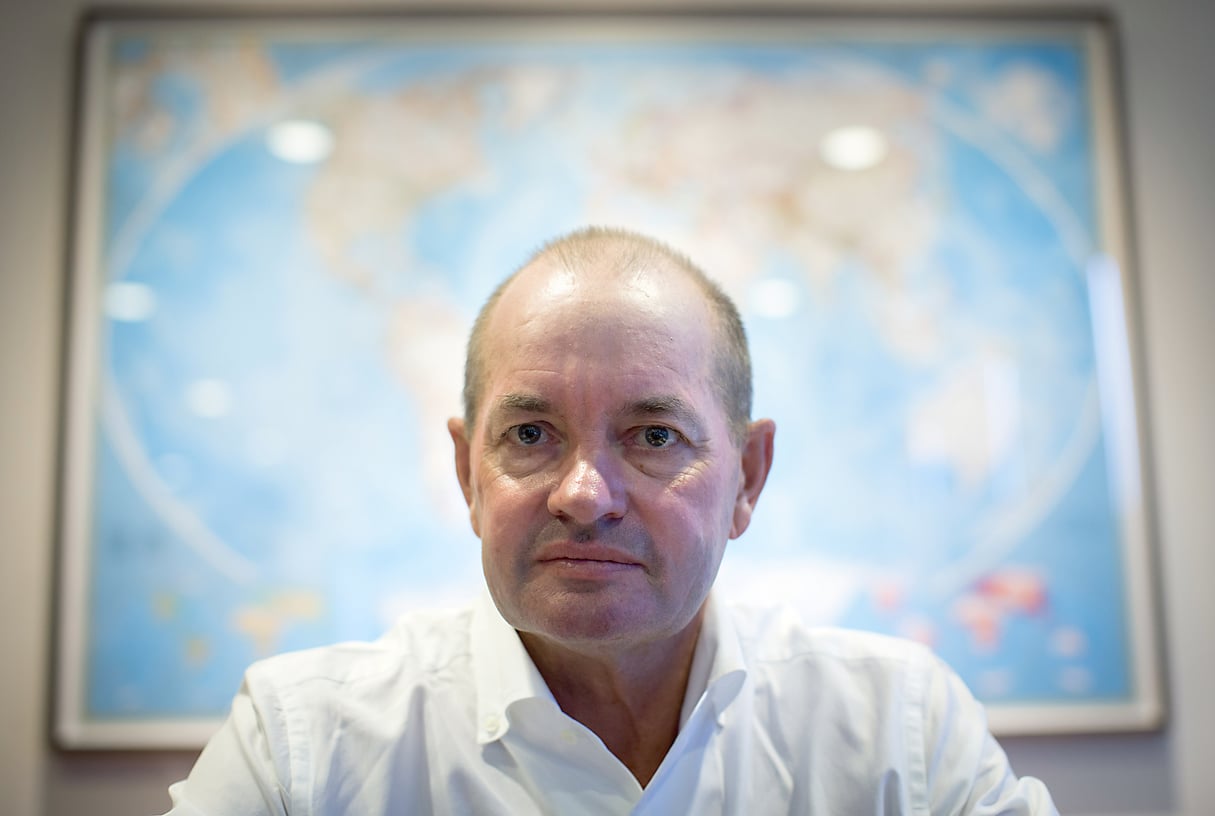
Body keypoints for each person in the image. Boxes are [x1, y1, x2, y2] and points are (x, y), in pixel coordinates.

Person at [163, 227, 1057, 814]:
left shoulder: (899, 731)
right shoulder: (303, 748)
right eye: (529, 433)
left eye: (654, 435)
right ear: (466, 472)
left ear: (747, 476)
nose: (584, 494)